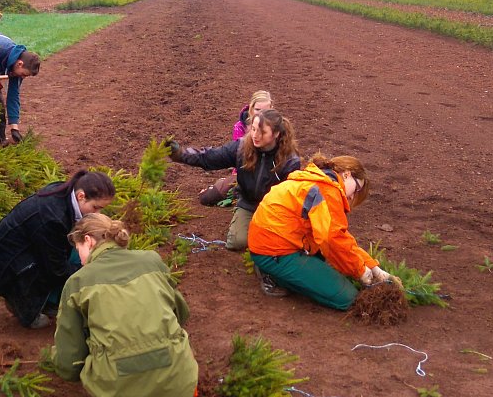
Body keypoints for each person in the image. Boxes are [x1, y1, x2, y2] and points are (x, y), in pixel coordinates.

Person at [52, 213, 198, 397]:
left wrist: (69, 370)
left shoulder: (78, 281)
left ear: (88, 240)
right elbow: (182, 313)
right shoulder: (151, 260)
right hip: (177, 381)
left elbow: (69, 356)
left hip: (115, 387)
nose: (79, 258)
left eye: (78, 248)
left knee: (100, 359)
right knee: (170, 352)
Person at [246, 152, 393, 307]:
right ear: (347, 174)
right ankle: (272, 273)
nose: (352, 197)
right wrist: (360, 271)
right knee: (347, 297)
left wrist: (372, 266)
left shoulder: (317, 179)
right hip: (275, 250)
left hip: (273, 241)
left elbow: (339, 235)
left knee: (324, 261)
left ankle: (273, 269)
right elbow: (332, 240)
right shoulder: (327, 190)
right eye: (357, 189)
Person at [0, 170, 115, 329]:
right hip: (11, 265)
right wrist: (89, 274)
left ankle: (49, 299)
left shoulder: (66, 192)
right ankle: (23, 304)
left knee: (76, 253)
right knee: (66, 266)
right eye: (95, 207)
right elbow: (57, 269)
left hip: (29, 247)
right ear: (81, 196)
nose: (98, 213)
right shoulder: (52, 219)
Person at [168, 109, 300, 253]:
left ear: (276, 134)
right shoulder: (241, 148)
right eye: (253, 129)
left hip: (274, 209)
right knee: (237, 242)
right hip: (248, 203)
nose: (255, 135)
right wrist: (179, 153)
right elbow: (209, 157)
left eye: (262, 132)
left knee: (274, 244)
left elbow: (290, 200)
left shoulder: (289, 161)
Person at [199, 90, 275, 206]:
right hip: (245, 173)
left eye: (265, 110)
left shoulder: (278, 128)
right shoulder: (240, 127)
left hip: (270, 174)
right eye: (257, 110)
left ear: (272, 109)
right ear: (251, 108)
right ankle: (218, 186)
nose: (261, 114)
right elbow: (239, 156)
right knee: (209, 197)